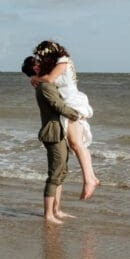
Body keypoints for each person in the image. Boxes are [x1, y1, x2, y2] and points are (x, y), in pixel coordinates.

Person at [31, 40, 99, 201]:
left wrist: (35, 77)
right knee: (76, 145)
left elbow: (50, 79)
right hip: (66, 103)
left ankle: (89, 180)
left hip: (72, 102)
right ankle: (91, 178)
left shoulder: (63, 60)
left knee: (77, 144)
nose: (41, 60)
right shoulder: (57, 63)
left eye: (42, 57)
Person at [21, 55, 83, 223]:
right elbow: (59, 106)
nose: (43, 63)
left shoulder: (45, 82)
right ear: (35, 68)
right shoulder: (45, 87)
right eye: (39, 62)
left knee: (61, 172)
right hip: (53, 133)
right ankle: (48, 215)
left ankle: (57, 210)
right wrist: (78, 115)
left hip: (59, 131)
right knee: (55, 174)